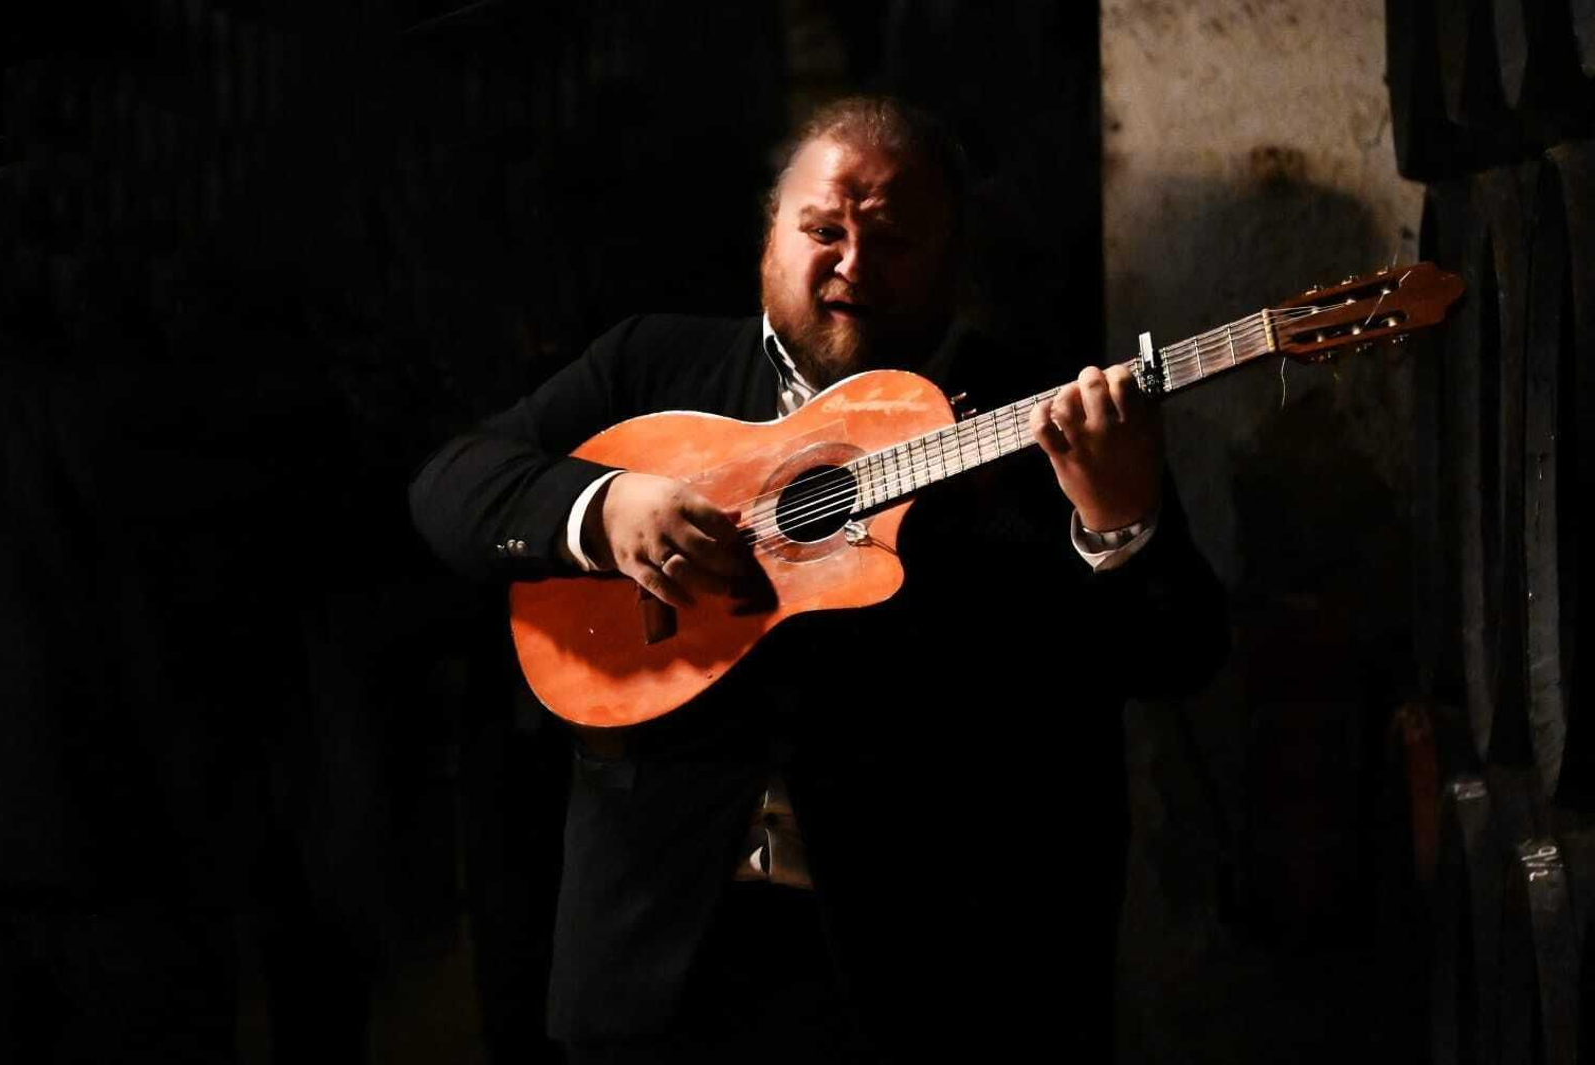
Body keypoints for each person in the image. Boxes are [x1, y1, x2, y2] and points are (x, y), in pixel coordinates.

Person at [410, 95, 1227, 1062]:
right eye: (823, 230)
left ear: (953, 259)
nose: (853, 265)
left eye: (893, 239)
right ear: (770, 233)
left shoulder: (1050, 418)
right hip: (653, 960)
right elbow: (451, 484)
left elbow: (1179, 655)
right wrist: (601, 509)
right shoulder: (653, 365)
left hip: (931, 976)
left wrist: (1120, 518)